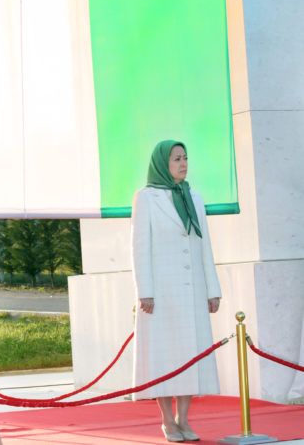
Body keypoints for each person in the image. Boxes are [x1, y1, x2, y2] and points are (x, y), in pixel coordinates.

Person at [131, 140, 221, 442]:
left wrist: (212, 288)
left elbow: (204, 244)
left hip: (192, 290)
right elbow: (140, 247)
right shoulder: (146, 198)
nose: (183, 163)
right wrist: (145, 290)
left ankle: (184, 418)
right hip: (161, 293)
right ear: (162, 163)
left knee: (190, 355)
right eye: (176, 159)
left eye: (185, 158)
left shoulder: (193, 196)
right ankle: (167, 421)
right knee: (163, 355)